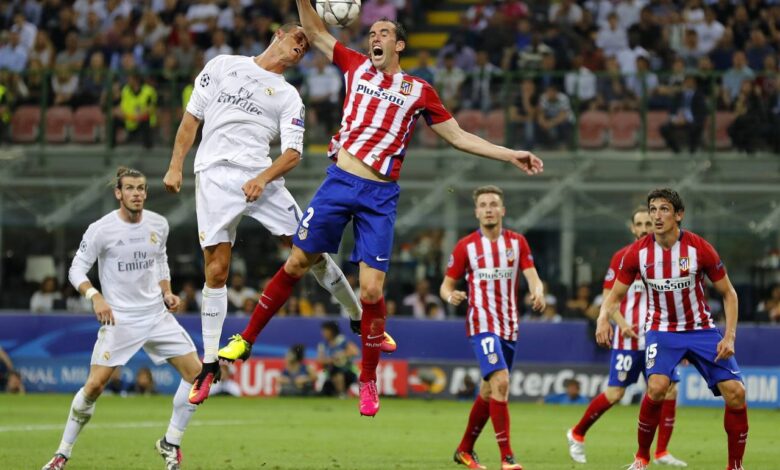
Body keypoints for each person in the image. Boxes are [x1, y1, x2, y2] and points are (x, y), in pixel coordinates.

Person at [219, 3, 542, 419]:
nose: (375, 37)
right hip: (339, 182)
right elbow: (315, 32)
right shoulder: (354, 66)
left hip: (380, 195)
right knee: (298, 261)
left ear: (399, 45)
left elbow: (459, 136)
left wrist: (510, 154)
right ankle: (246, 339)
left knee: (371, 291)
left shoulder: (419, 91)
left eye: (384, 33)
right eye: (372, 33)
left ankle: (368, 378)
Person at [162, 23, 395, 405]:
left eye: (306, 45)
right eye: (297, 39)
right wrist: (175, 167)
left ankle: (357, 316)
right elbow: (191, 120)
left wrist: (262, 178)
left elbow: (293, 153)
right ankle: (209, 365)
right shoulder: (222, 65)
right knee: (216, 270)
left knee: (311, 252)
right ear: (278, 35)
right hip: (214, 177)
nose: (301, 46)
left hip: (261, 178)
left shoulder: (288, 96)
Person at [42, 167, 203, 470]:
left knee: (198, 376)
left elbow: (160, 261)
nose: (136, 194)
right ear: (118, 193)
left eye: (141, 188)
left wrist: (167, 292)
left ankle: (171, 442)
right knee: (94, 386)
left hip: (156, 316)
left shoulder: (159, 224)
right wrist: (95, 296)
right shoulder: (101, 229)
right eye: (129, 188)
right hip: (120, 320)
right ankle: (62, 454)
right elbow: (76, 270)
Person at [596, 188, 747, 470]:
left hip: (701, 329)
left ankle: (735, 466)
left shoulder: (699, 248)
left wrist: (729, 336)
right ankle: (641, 458)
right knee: (656, 387)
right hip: (662, 330)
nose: (656, 216)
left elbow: (729, 294)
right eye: (652, 209)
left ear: (679, 215)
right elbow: (613, 297)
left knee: (736, 392)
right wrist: (603, 318)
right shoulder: (637, 253)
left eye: (664, 209)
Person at [567, 207, 687, 467]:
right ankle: (577, 433)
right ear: (632, 228)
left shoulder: (667, 256)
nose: (644, 228)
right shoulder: (623, 257)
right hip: (628, 340)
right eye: (639, 224)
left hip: (659, 339)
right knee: (615, 393)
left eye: (647, 223)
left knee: (670, 390)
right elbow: (608, 298)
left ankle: (661, 452)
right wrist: (621, 324)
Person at [440, 185, 545, 470]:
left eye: (493, 204)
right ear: (476, 212)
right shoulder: (466, 246)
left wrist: (538, 292)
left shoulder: (517, 243)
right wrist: (450, 296)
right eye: (483, 205)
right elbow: (446, 285)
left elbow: (532, 277)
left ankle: (464, 449)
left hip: (509, 325)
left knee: (489, 391)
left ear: (502, 210)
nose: (488, 209)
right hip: (482, 323)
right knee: (501, 382)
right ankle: (507, 457)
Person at [317, 320, 359, 397]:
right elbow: (320, 360)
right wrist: (333, 359)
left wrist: (342, 355)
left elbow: (355, 351)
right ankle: (340, 393)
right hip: (330, 372)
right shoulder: (322, 345)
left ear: (332, 331)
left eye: (325, 331)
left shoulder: (341, 340)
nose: (323, 333)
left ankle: (342, 393)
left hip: (347, 371)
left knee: (337, 370)